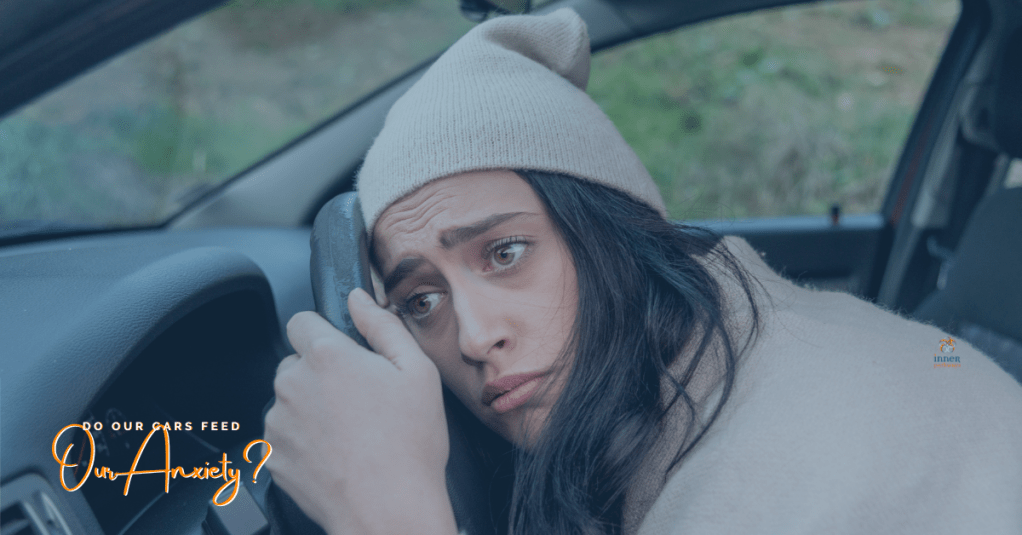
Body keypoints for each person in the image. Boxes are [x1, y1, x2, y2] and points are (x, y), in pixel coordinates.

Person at [263, 8, 1022, 535]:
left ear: (611, 230)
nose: (475, 334)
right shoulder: (728, 335)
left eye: (504, 253)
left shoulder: (784, 478)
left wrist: (392, 510)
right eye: (421, 298)